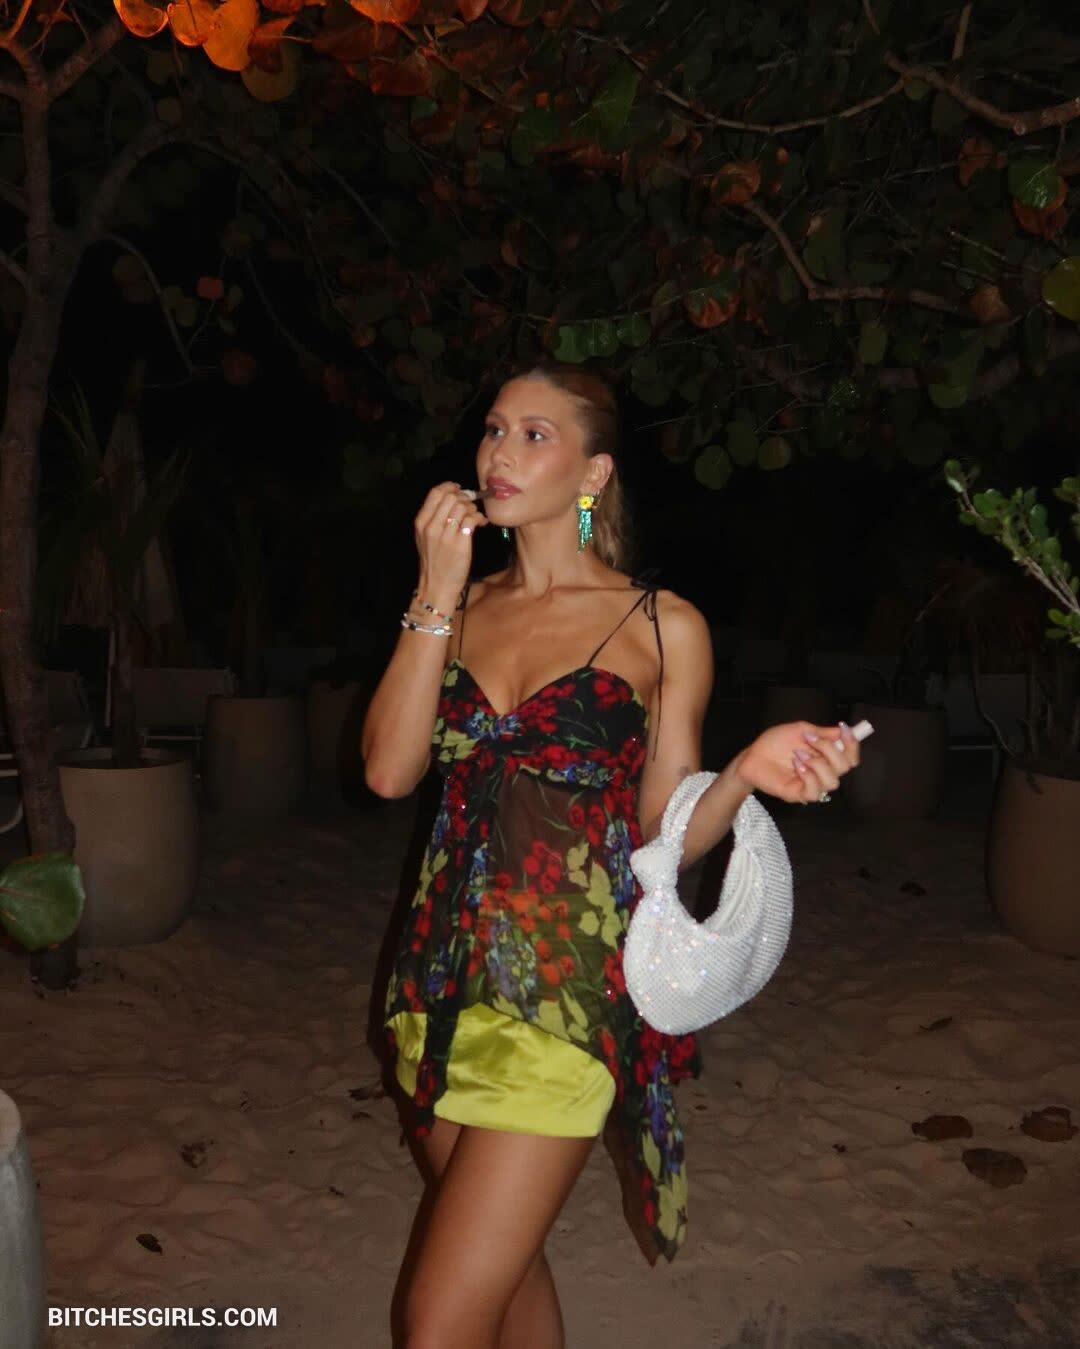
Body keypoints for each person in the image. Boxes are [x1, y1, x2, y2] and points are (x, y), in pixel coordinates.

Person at [361, 362, 862, 1349]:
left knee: (437, 1322)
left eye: (534, 434)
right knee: (508, 1274)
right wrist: (432, 591)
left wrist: (744, 773)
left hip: (567, 995)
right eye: (493, 428)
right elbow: (386, 771)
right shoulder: (457, 608)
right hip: (435, 985)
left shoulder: (663, 626)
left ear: (593, 474)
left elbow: (661, 833)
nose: (499, 452)